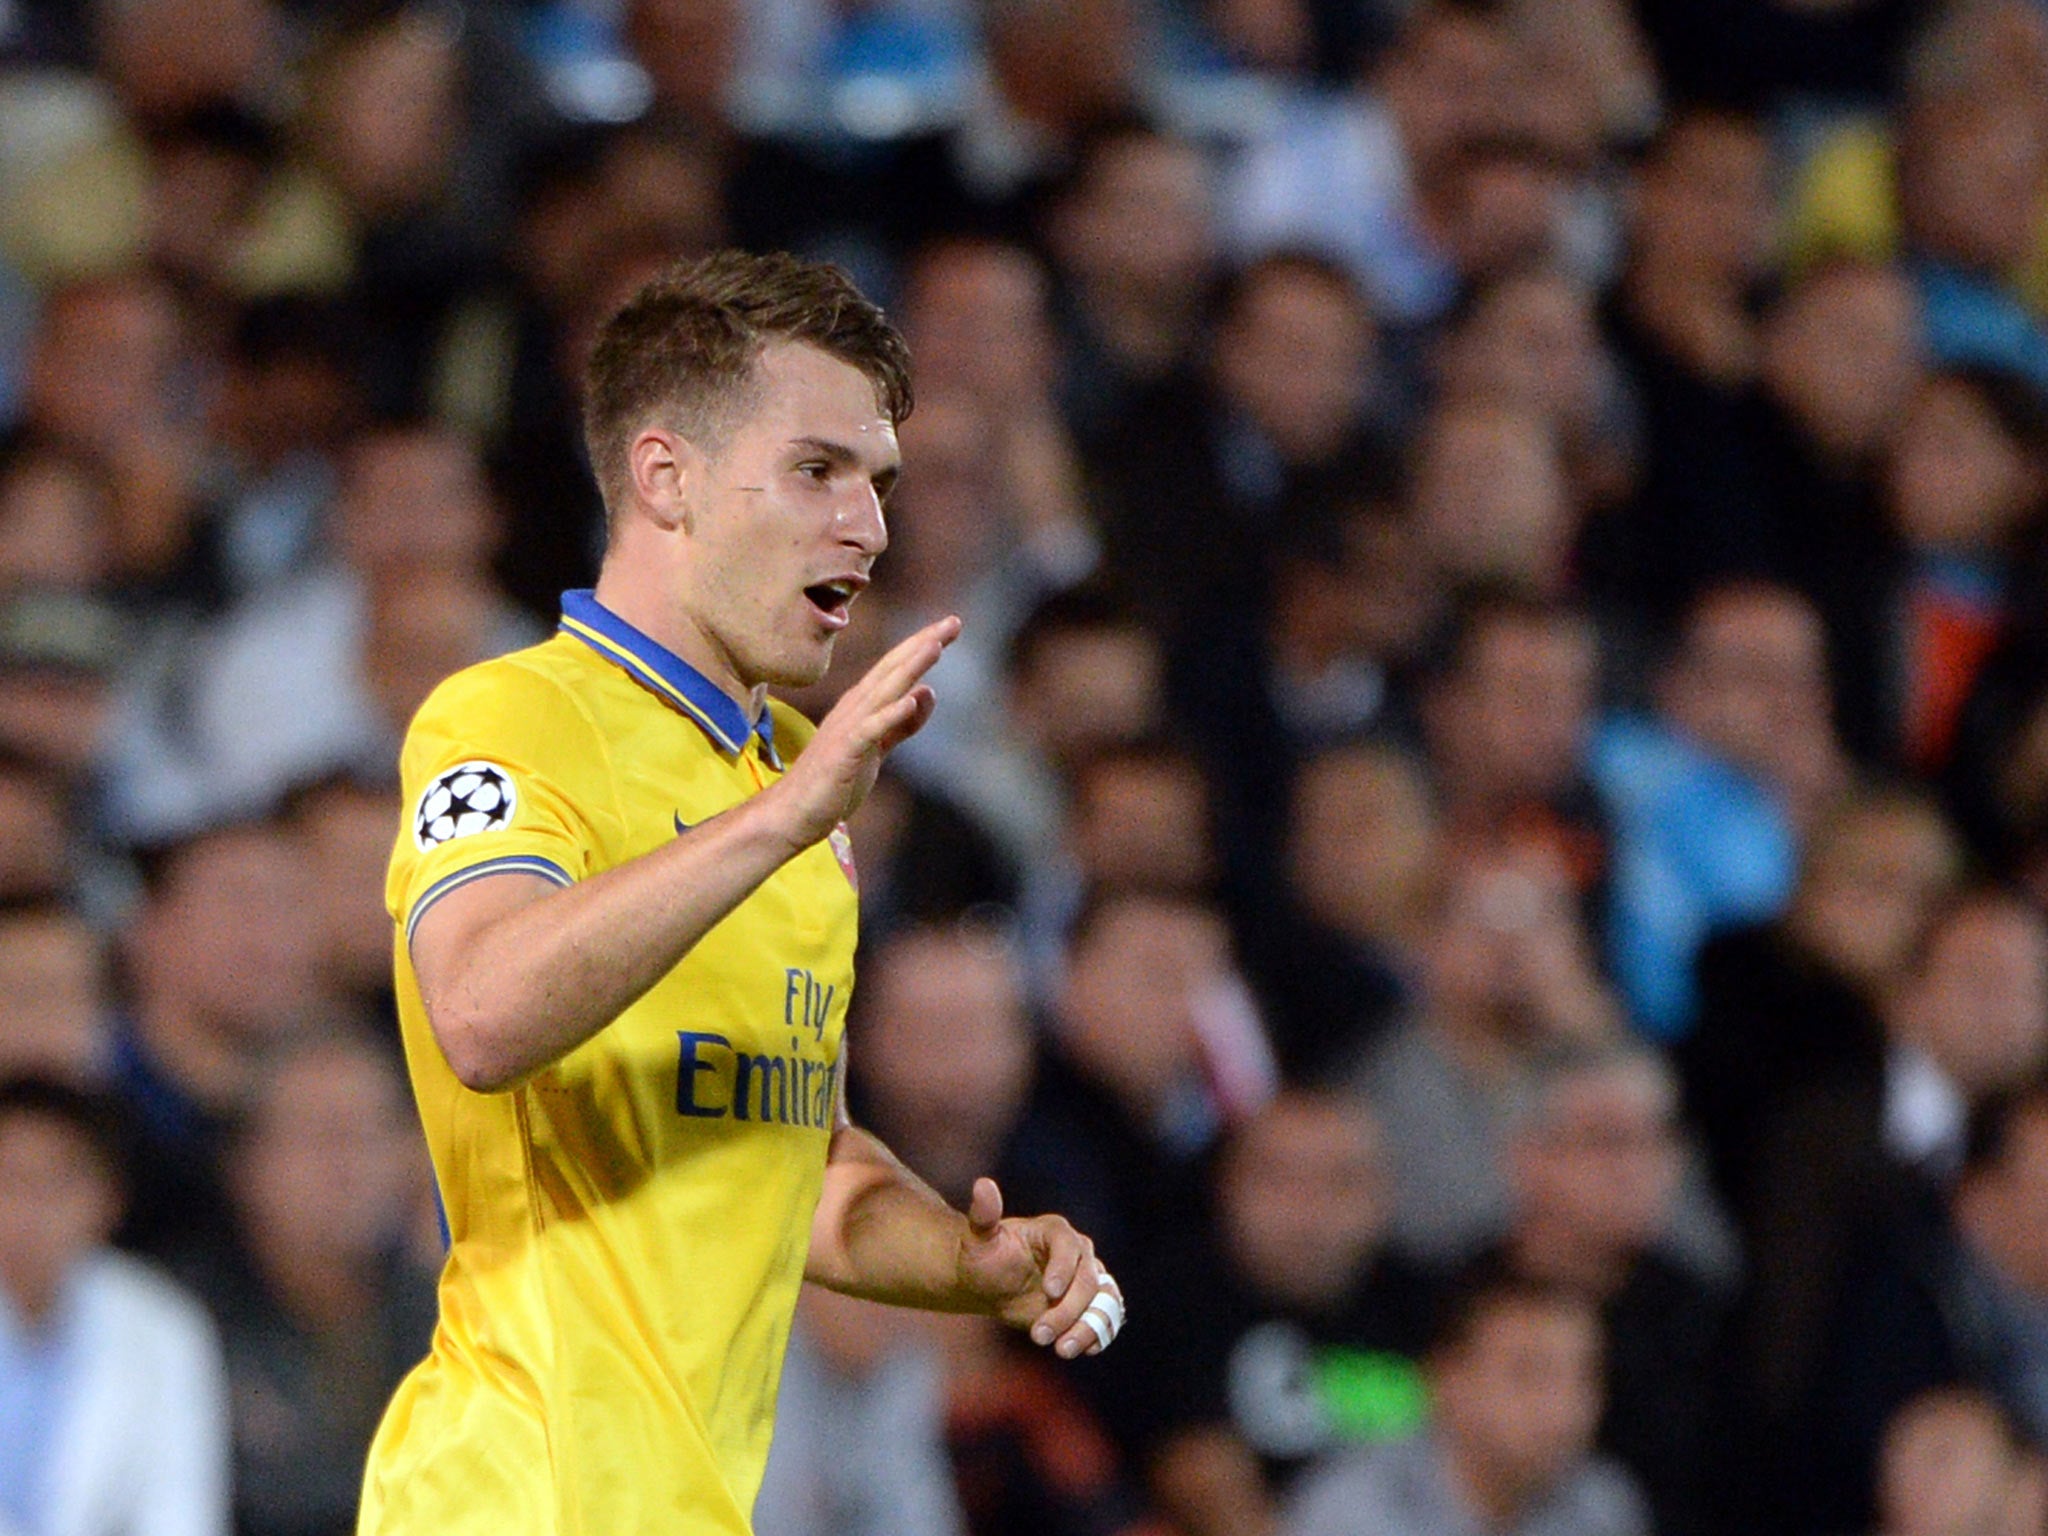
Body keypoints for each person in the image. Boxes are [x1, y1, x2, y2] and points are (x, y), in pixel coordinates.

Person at [357, 250, 1124, 1535]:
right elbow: (480, 1015)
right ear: (667, 479)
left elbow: (790, 1162)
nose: (869, 527)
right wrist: (775, 821)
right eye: (816, 470)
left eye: (878, 485)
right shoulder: (514, 715)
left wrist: (959, 1261)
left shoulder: (794, 800)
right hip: (509, 1499)